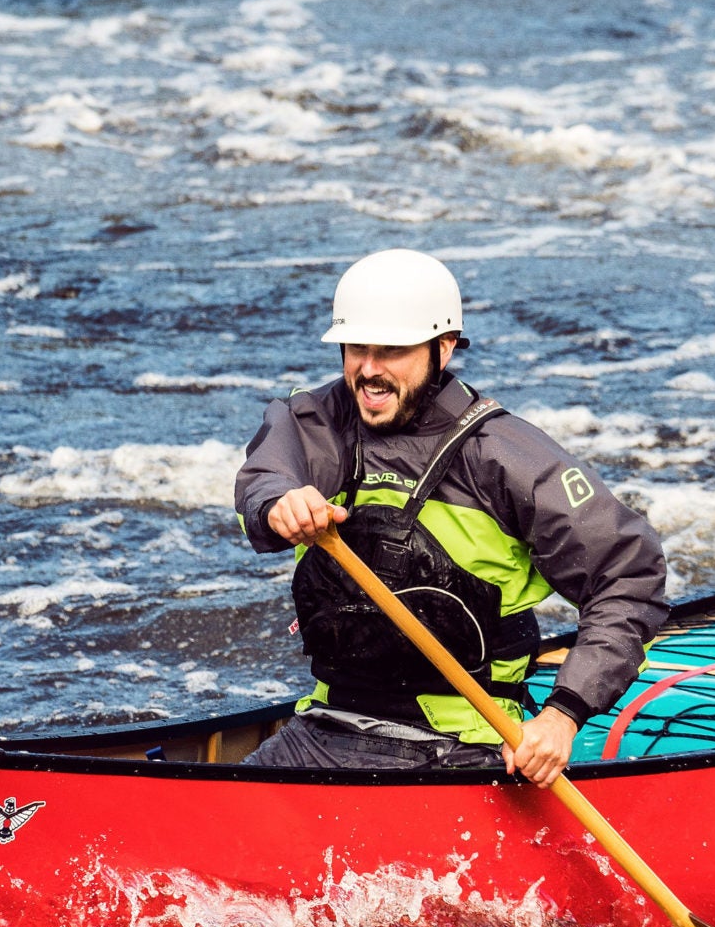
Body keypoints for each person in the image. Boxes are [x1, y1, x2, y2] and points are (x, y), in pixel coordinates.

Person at [234, 249, 669, 780]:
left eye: (391, 350)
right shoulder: (316, 422)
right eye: (355, 348)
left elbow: (629, 576)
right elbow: (265, 477)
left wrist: (563, 717)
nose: (369, 370)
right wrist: (278, 504)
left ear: (442, 348)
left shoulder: (508, 455)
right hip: (328, 726)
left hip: (469, 742)